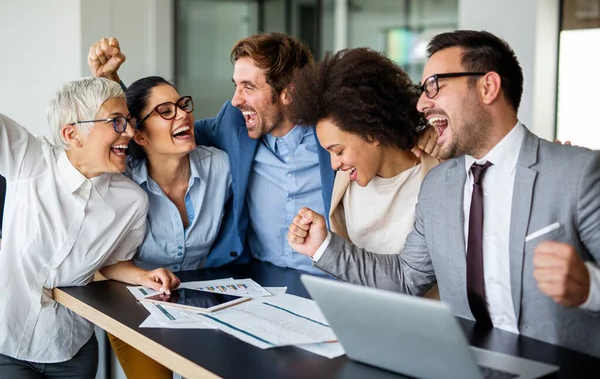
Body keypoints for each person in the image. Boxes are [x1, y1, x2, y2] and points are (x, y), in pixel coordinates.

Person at [287, 30, 600, 358]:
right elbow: (406, 278)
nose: (422, 103)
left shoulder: (576, 173)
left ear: (487, 87)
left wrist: (589, 288)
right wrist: (322, 247)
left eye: (435, 86)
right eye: (423, 90)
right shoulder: (438, 186)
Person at [90, 34, 437, 273]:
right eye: (235, 86)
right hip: (258, 278)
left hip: (329, 279)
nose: (236, 99)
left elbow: (381, 113)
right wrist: (113, 82)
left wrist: (429, 129)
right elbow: (161, 132)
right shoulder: (234, 123)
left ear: (288, 93)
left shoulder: (333, 129)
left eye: (248, 87)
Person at [0, 77, 179, 378]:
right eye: (117, 122)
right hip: (7, 342)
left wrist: (144, 276)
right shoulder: (30, 161)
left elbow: (114, 263)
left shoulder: (133, 201)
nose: (131, 132)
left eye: (130, 122)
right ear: (72, 134)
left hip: (72, 348)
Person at [102, 75, 233, 379]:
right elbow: (105, 262)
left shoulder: (221, 167)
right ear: (141, 136)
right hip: (134, 305)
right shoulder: (123, 185)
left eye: (182, 104)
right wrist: (145, 276)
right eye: (165, 111)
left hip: (202, 305)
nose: (183, 114)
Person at [289, 47, 439, 298]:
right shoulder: (345, 183)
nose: (334, 164)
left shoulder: (438, 174)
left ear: (372, 132)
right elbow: (353, 271)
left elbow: (409, 279)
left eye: (338, 151)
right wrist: (320, 245)